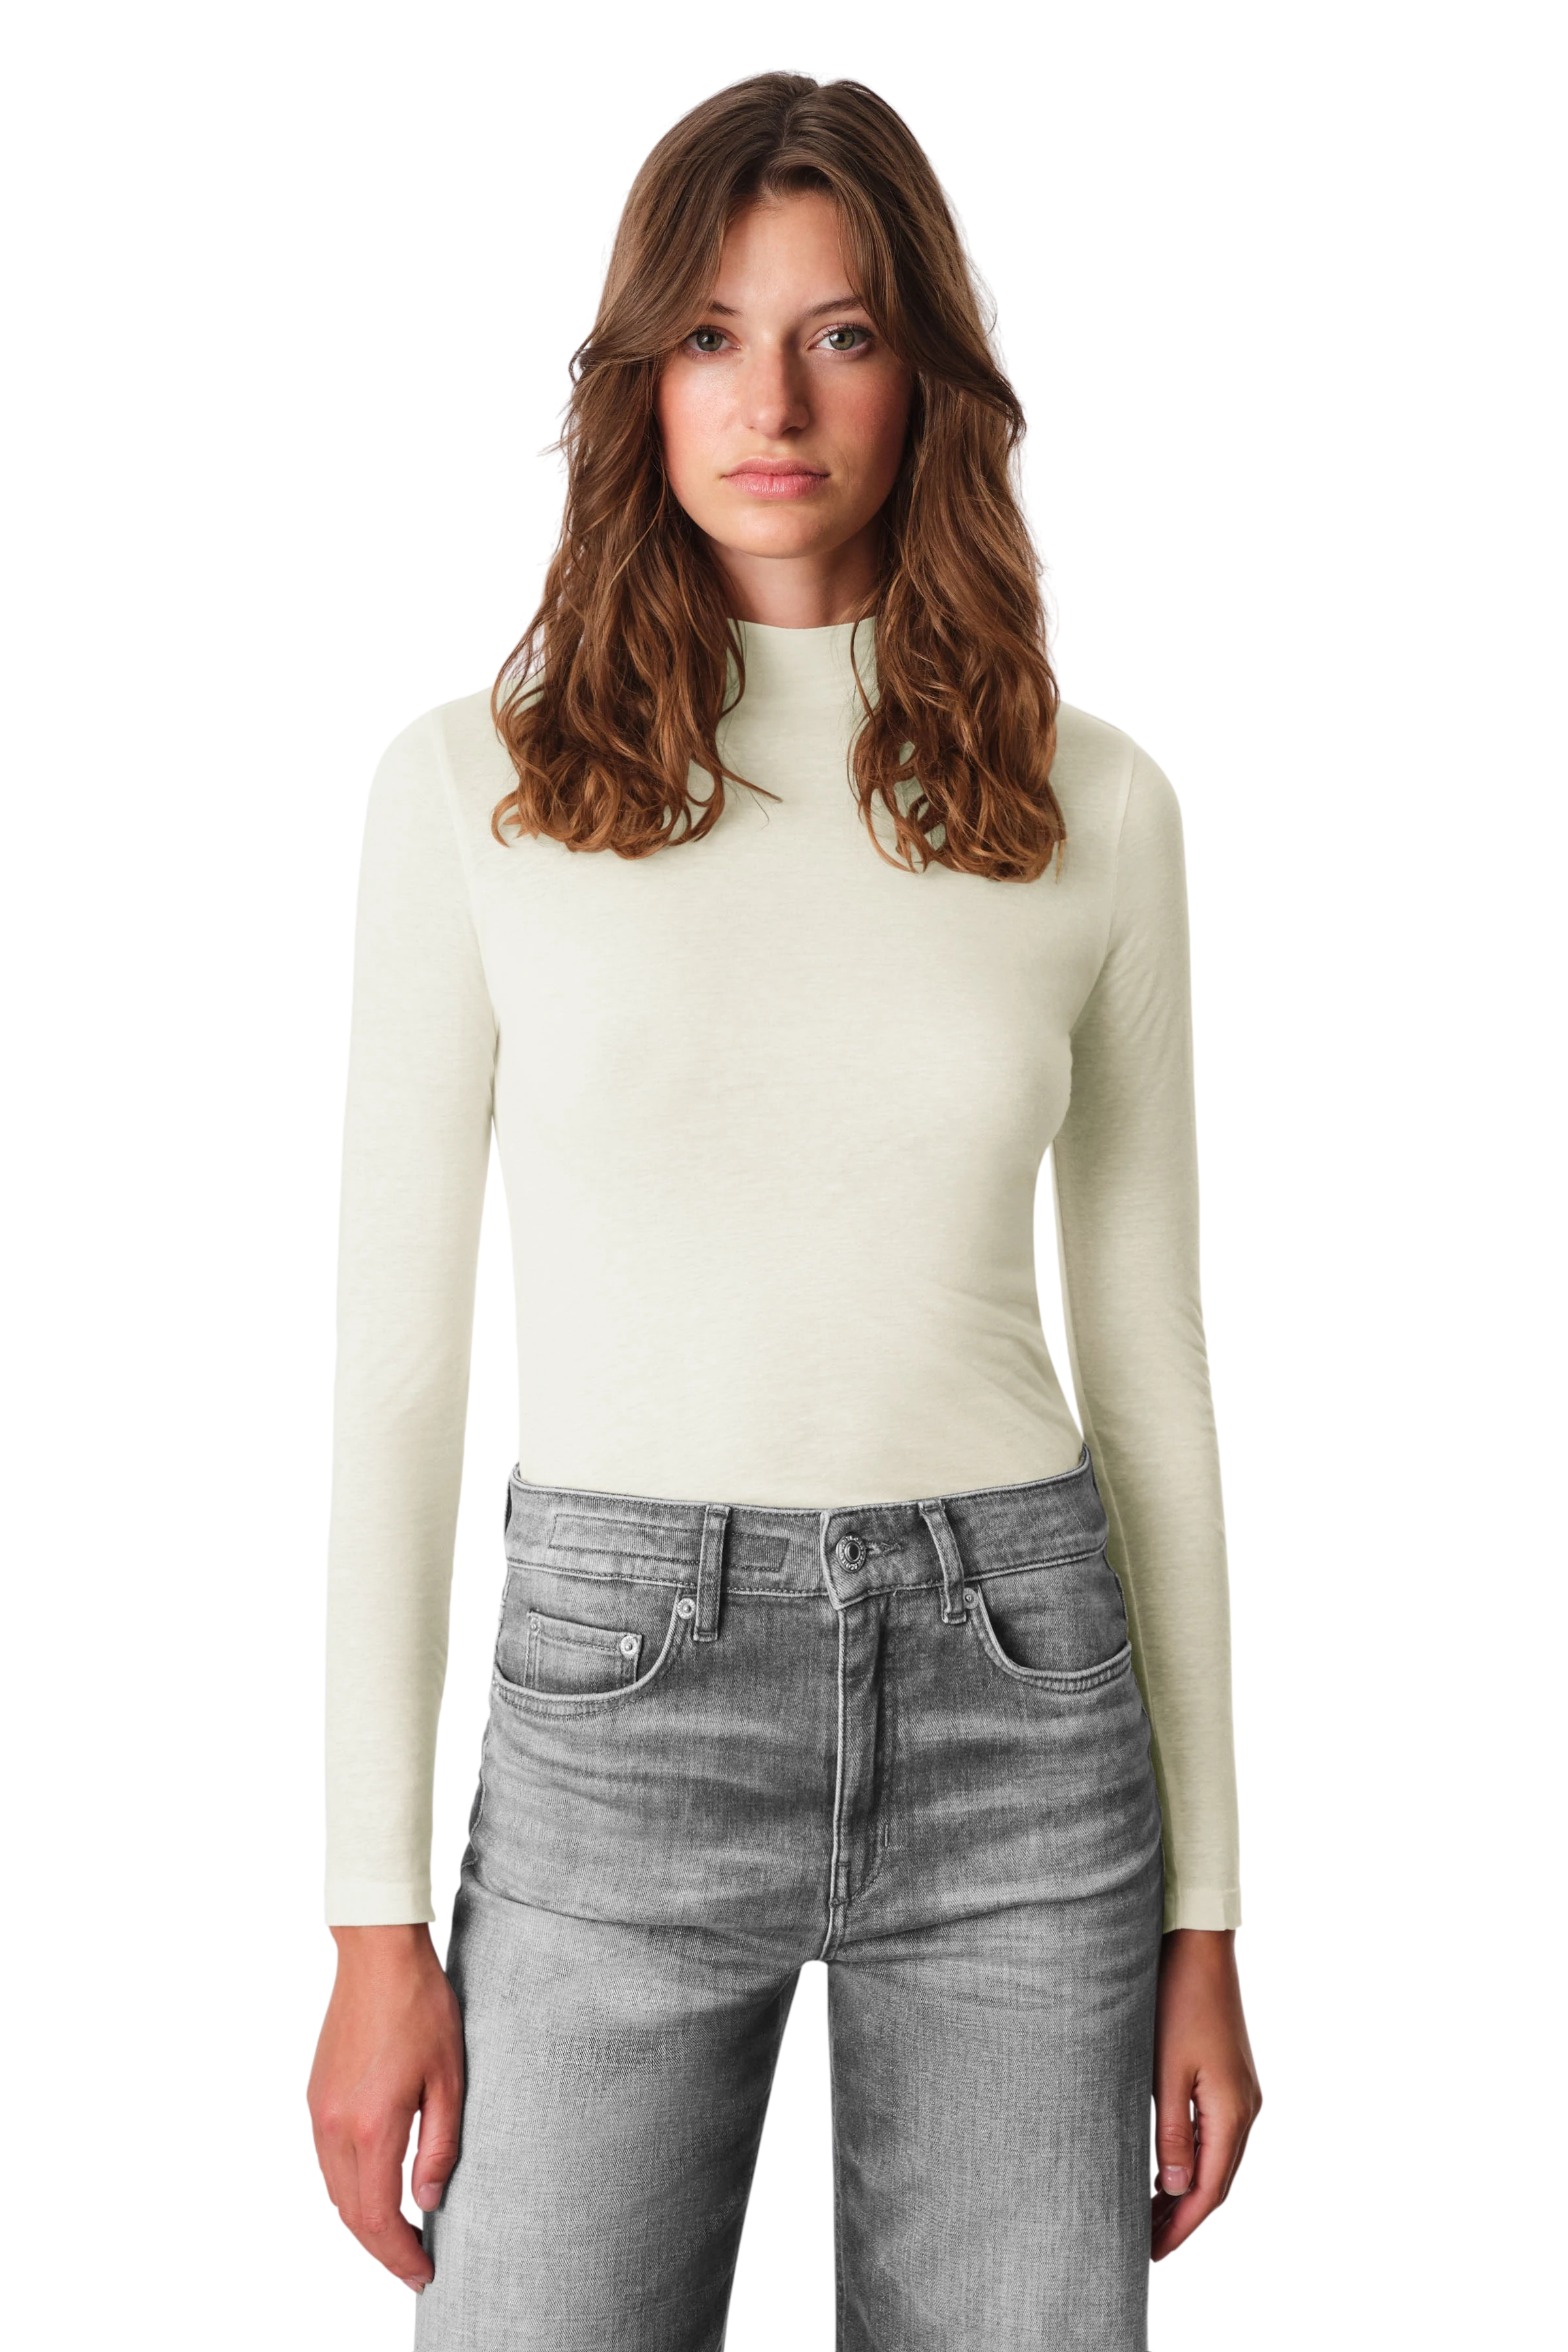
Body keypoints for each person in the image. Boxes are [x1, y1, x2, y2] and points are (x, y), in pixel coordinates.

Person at [306, 66, 1264, 2351]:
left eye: (842, 333)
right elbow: (402, 1371)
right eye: (713, 337)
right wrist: (371, 1923)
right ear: (638, 380)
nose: (775, 402)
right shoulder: (472, 785)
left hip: (1025, 1702)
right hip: (612, 1701)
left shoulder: (1092, 799)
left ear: (927, 378)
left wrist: (1210, 1923)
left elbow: (1153, 1371)